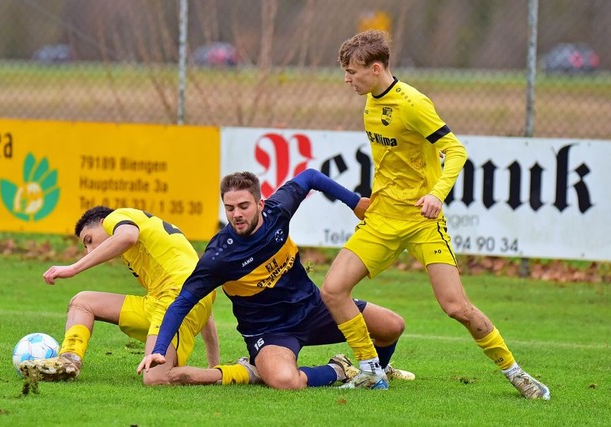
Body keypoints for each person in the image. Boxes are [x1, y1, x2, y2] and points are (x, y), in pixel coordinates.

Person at [319, 29, 550, 399]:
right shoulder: (370, 100)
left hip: (421, 222)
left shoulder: (412, 103)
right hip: (381, 219)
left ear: (375, 69)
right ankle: (369, 370)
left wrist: (436, 195)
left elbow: (455, 150)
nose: (347, 79)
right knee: (333, 290)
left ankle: (516, 373)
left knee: (456, 306)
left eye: (352, 71)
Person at [137, 169, 414, 389]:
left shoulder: (277, 211)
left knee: (391, 326)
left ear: (260, 203)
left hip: (314, 308)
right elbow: (182, 301)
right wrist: (159, 349)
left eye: (244, 206)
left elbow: (310, 177)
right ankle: (338, 370)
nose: (237, 214)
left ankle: (375, 369)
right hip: (270, 332)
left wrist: (355, 202)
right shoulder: (219, 257)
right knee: (284, 381)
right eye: (229, 208)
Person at [19, 206, 258, 386]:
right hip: (162, 302)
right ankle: (68, 359)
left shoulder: (118, 219)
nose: (91, 250)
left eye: (89, 240)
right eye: (86, 247)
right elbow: (206, 311)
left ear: (104, 222)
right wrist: (211, 361)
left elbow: (126, 237)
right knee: (82, 301)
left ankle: (242, 372)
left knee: (155, 378)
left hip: (174, 302)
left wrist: (73, 268)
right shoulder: (152, 252)